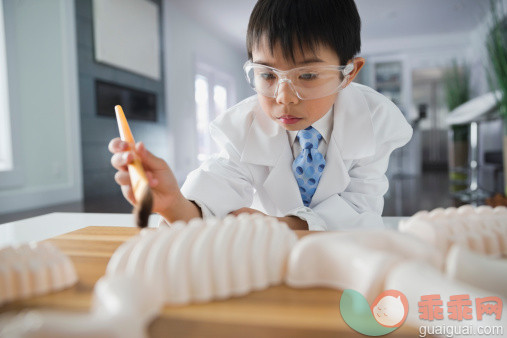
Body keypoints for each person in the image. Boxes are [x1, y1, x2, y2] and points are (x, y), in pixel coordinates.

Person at [109, 0, 412, 231]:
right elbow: (211, 196)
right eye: (267, 74)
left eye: (307, 75)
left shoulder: (375, 120)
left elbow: (361, 209)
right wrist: (172, 203)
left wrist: (288, 226)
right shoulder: (242, 127)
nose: (283, 97)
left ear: (348, 73)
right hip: (269, 255)